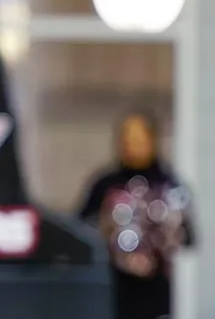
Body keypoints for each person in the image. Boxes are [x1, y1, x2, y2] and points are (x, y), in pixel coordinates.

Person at [79, 110, 196, 319]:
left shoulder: (170, 185)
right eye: (126, 139)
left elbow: (189, 236)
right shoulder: (105, 185)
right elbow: (81, 230)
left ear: (153, 140)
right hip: (112, 288)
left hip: (158, 291)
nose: (131, 145)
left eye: (138, 139)